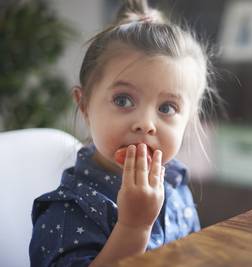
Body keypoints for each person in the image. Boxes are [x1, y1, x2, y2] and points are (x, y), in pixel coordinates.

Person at [29, 0, 219, 266]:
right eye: (123, 100)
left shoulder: (174, 181)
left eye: (167, 107)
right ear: (84, 106)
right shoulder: (68, 211)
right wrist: (134, 227)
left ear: (189, 120)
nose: (145, 124)